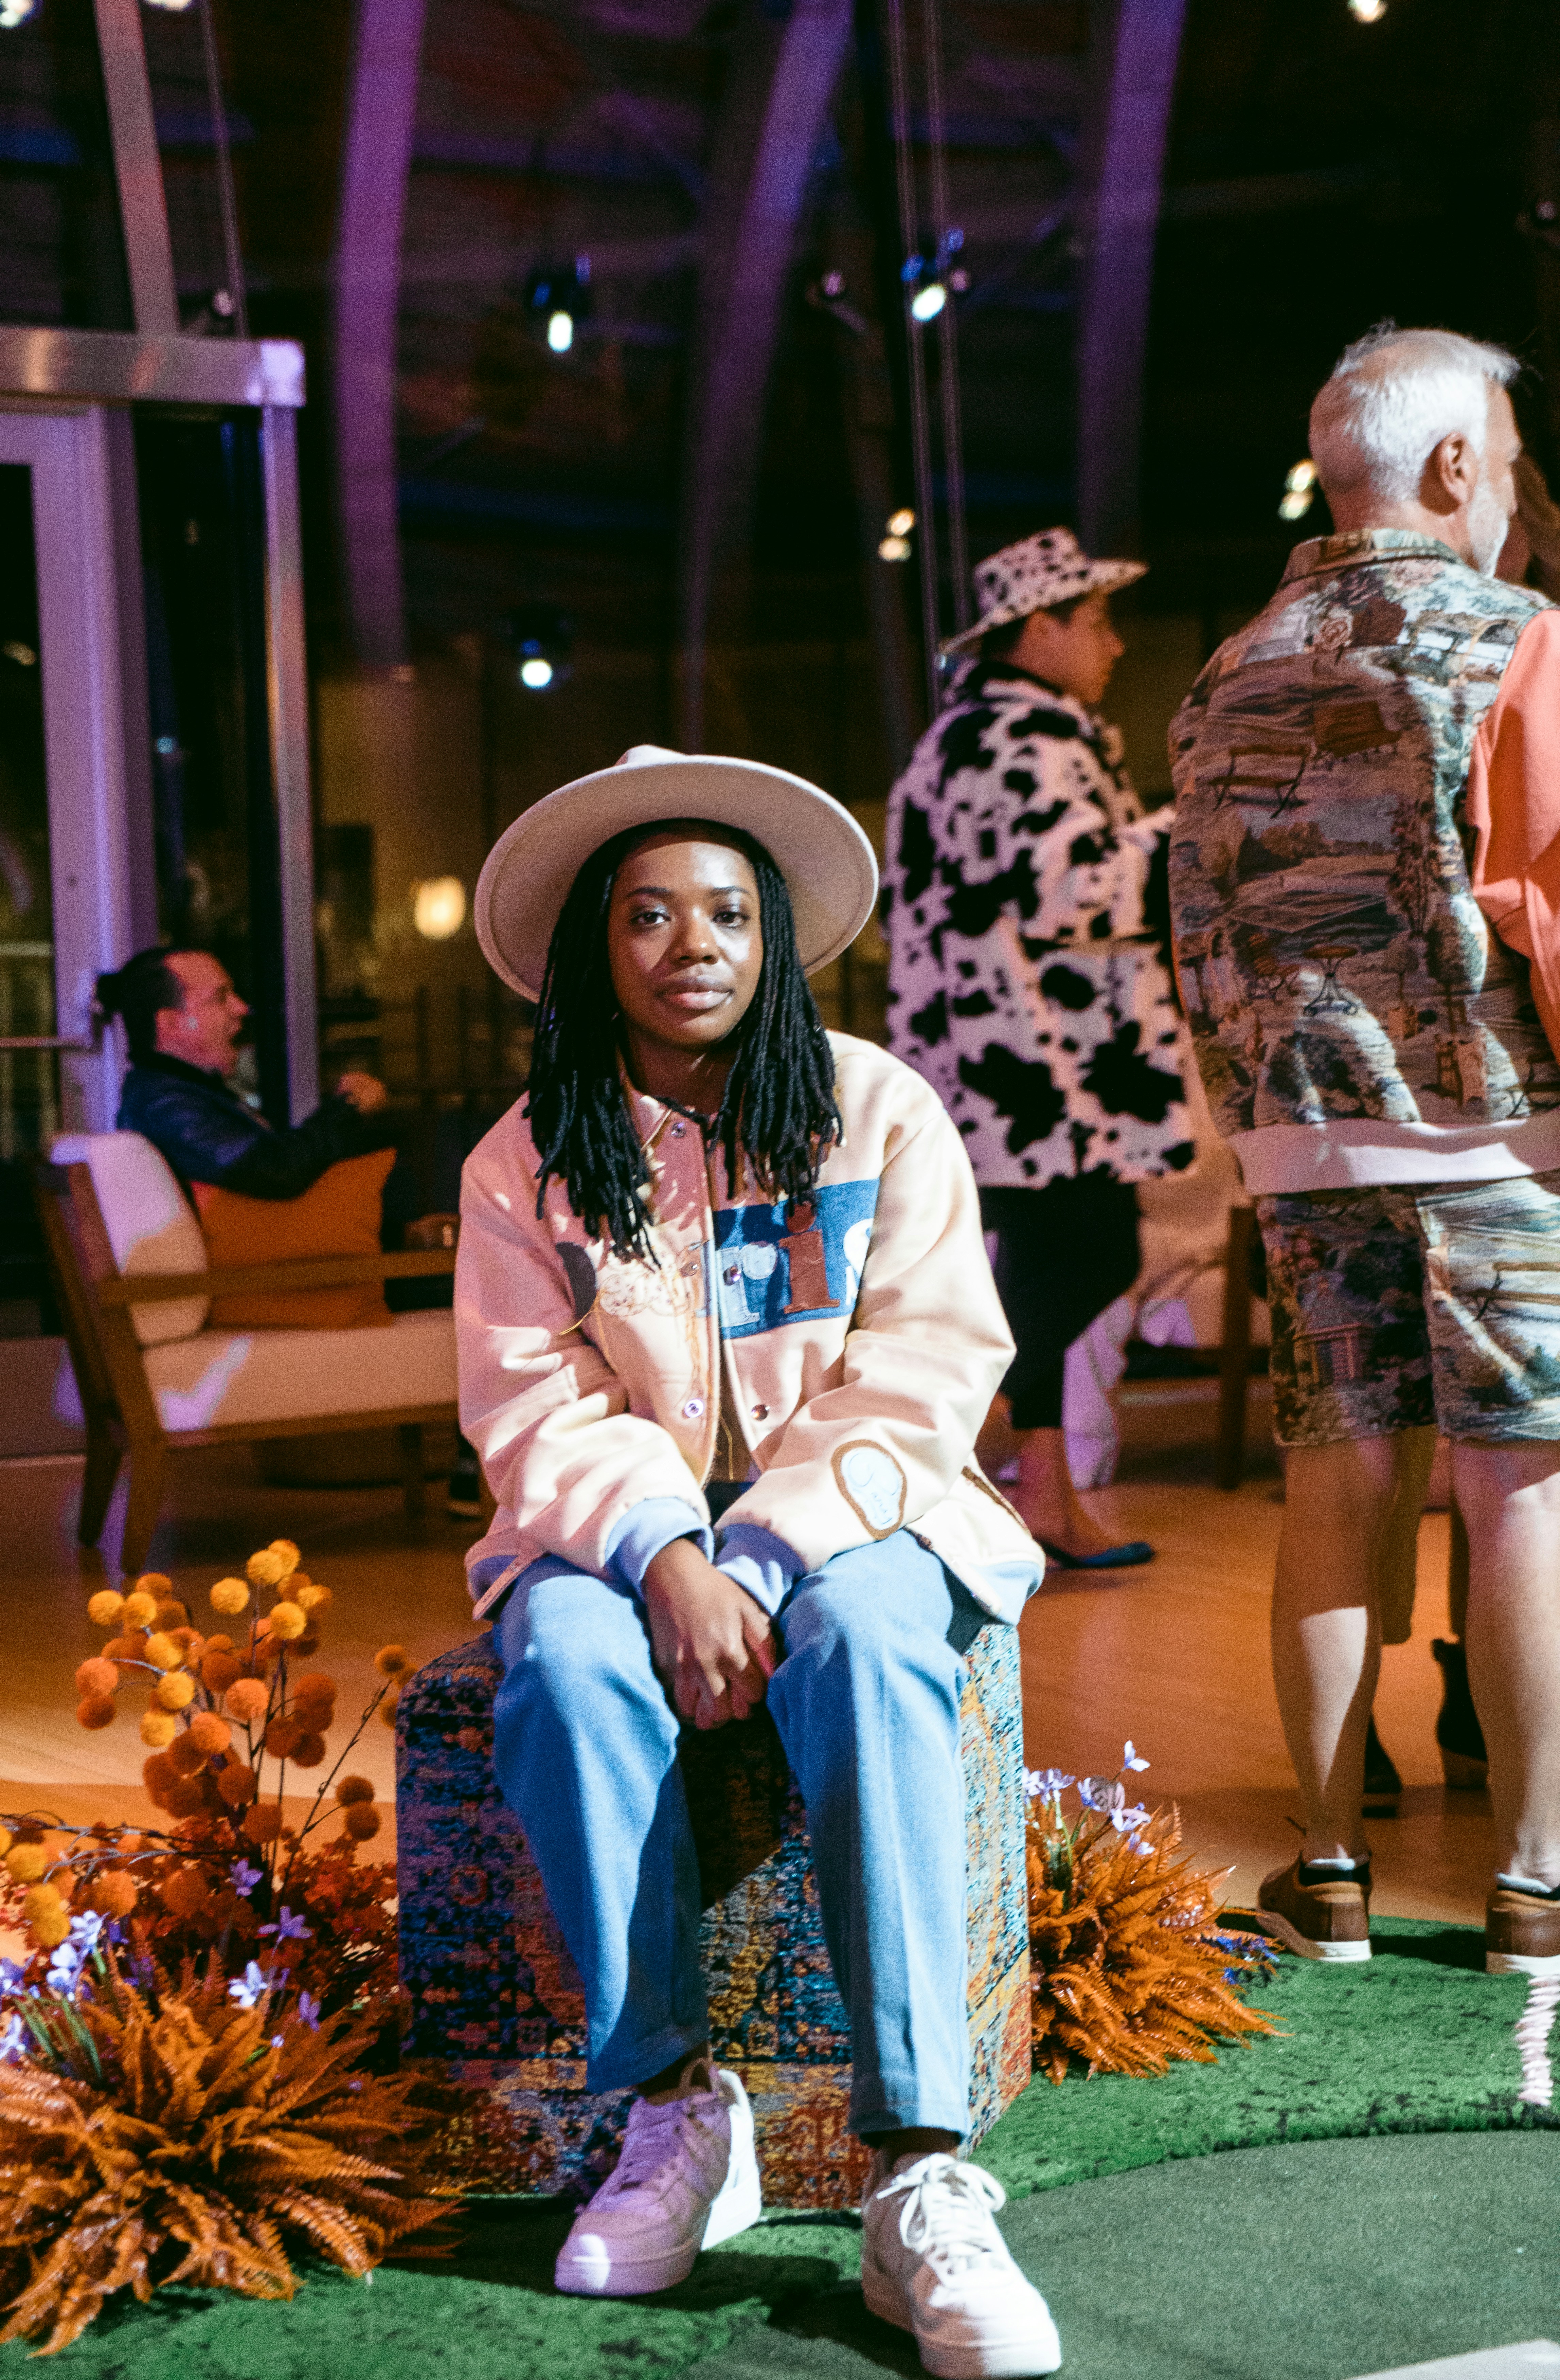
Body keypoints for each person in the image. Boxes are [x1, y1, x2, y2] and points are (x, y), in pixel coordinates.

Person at [456, 743, 1062, 2377]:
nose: (691, 943)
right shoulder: (525, 1155)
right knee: (567, 1667)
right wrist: (663, 1553)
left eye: (725, 908)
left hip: (862, 1510)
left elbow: (930, 1360)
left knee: (866, 1644)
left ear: (772, 932)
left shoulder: (877, 1108)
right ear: (596, 943)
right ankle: (671, 2112)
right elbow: (529, 1402)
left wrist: (765, 1550)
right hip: (607, 1529)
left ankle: (916, 2166)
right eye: (646, 914)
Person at [1169, 323, 1560, 1976]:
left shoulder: (1222, 669)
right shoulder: (1519, 636)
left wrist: (1257, 1112)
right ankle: (1534, 1884)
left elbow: (1193, 935)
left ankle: (1322, 1872)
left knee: (1331, 1484)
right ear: (1456, 464)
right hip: (1498, 1127)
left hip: (1302, 1140)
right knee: (1517, 1490)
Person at [884, 529, 1193, 1567]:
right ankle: (975, 1463)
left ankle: (1036, 1493)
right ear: (1042, 627)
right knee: (1086, 1253)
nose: (1112, 643)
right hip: (1042, 1071)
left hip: (987, 1061)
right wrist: (1185, 824)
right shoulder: (1031, 741)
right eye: (1096, 620)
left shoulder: (965, 736)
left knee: (1046, 1261)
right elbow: (1081, 890)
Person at [95, 945, 391, 1195]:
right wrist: (349, 1106)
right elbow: (277, 1171)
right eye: (220, 997)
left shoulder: (176, 1092)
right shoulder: (163, 1106)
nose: (241, 1008)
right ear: (172, 1024)